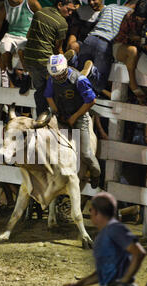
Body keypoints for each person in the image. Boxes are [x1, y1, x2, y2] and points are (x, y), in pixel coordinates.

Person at [56, 192, 146, 286]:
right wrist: (77, 285)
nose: (90, 214)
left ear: (97, 212)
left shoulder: (114, 229)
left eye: (91, 210)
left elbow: (139, 253)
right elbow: (102, 272)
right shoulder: (104, 235)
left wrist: (122, 284)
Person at [44, 54, 101, 188]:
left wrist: (75, 117)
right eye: (55, 75)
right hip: (62, 115)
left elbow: (91, 100)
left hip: (80, 117)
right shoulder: (52, 80)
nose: (57, 78)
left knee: (85, 153)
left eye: (59, 75)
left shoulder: (79, 80)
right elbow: (48, 95)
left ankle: (96, 173)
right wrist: (56, 111)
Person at [66, 1, 137, 98]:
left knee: (81, 72)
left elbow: (98, 21)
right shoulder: (130, 13)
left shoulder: (110, 7)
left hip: (90, 39)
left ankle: (73, 59)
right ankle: (92, 72)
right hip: (105, 44)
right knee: (99, 84)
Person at [23, 0, 76, 114]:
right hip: (45, 62)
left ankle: (41, 120)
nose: (70, 13)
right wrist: (63, 61)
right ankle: (56, 119)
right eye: (69, 9)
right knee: (56, 91)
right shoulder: (62, 23)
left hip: (30, 60)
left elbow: (28, 35)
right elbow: (58, 48)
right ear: (60, 4)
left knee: (40, 91)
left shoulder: (40, 12)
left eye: (72, 11)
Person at [0, 0, 42, 94]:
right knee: (5, 49)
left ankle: (27, 76)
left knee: (21, 50)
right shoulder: (4, 7)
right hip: (11, 35)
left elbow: (44, 19)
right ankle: (10, 72)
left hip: (27, 36)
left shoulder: (31, 3)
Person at [112, 0, 147, 105]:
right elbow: (121, 38)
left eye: (143, 17)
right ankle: (133, 84)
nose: (141, 19)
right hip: (121, 47)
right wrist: (138, 39)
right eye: (139, 17)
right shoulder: (129, 17)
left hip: (142, 52)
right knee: (133, 51)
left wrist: (144, 41)